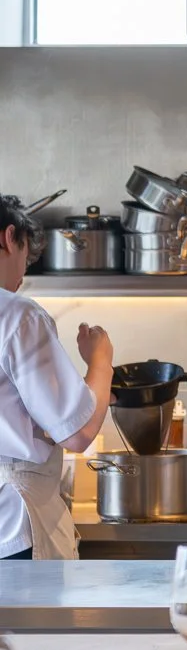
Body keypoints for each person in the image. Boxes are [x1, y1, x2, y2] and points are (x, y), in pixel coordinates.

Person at [0, 194, 113, 561]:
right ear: (8, 237)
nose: (23, 273)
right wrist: (101, 361)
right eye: (25, 256)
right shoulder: (17, 316)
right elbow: (77, 433)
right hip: (13, 527)